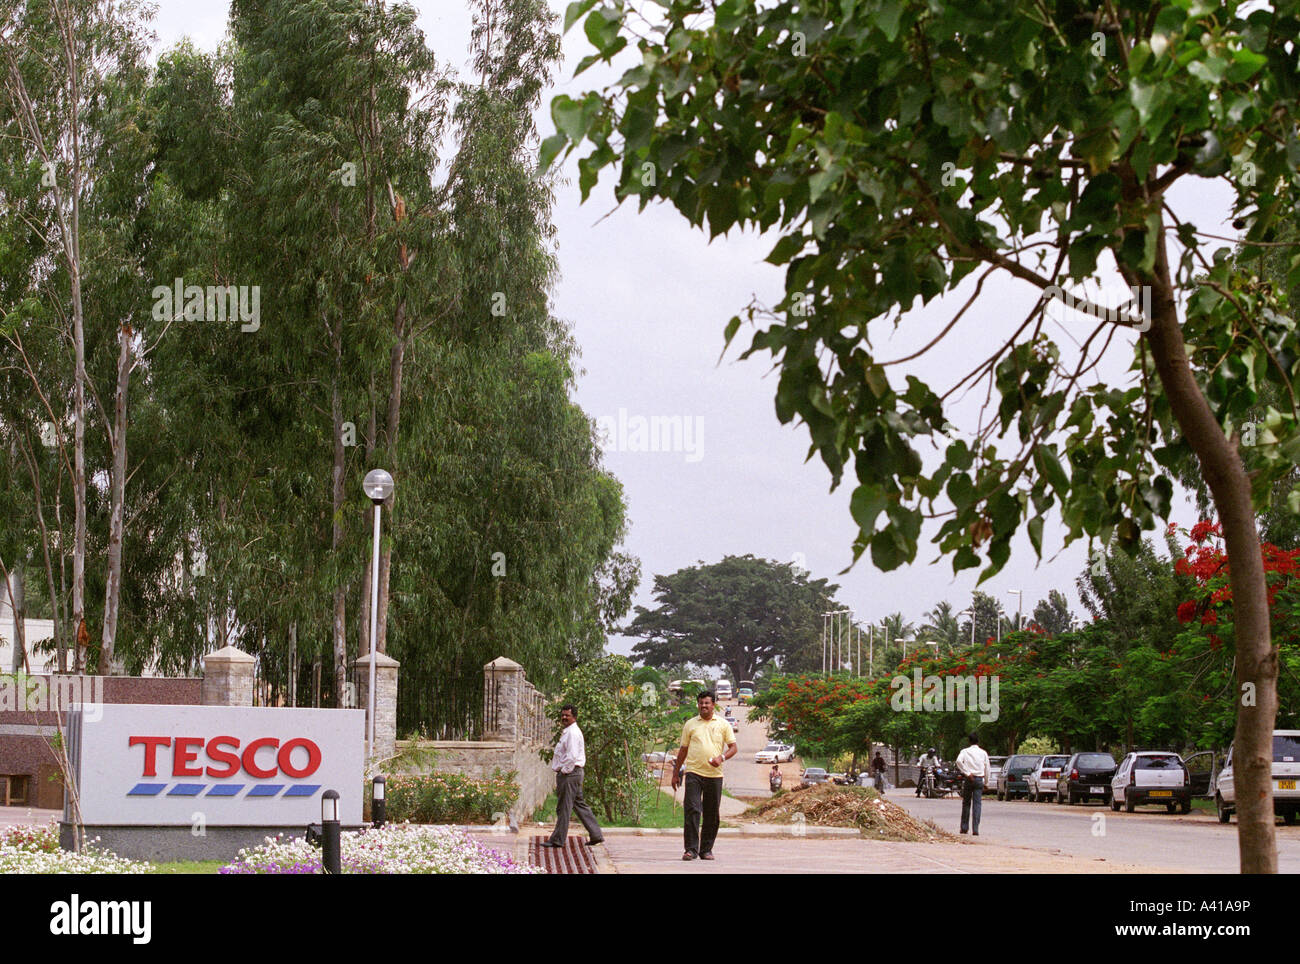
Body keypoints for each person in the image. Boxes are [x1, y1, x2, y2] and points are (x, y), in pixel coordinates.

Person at [671, 691, 737, 862]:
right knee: (692, 809)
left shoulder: (723, 724)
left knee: (711, 813)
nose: (704, 706)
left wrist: (721, 758)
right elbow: (683, 750)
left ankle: (706, 850)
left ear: (713, 705)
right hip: (693, 773)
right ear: (698, 704)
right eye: (701, 703)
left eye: (707, 703)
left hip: (714, 775)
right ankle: (691, 850)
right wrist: (675, 773)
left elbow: (733, 748)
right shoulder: (690, 724)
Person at [540, 704, 604, 849]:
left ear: (574, 717)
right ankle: (596, 834)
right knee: (579, 805)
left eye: (567, 715)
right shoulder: (568, 731)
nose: (564, 717)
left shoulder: (573, 733)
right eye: (562, 715)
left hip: (570, 774)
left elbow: (572, 756)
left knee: (564, 807)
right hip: (573, 773)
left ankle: (557, 839)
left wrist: (564, 771)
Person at [956, 732, 992, 836]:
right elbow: (987, 768)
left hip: (969, 779)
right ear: (978, 741)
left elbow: (958, 761)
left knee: (966, 803)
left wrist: (967, 773)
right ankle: (975, 829)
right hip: (979, 779)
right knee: (977, 804)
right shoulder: (983, 753)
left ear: (969, 741)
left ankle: (964, 827)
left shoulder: (965, 751)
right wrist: (986, 782)